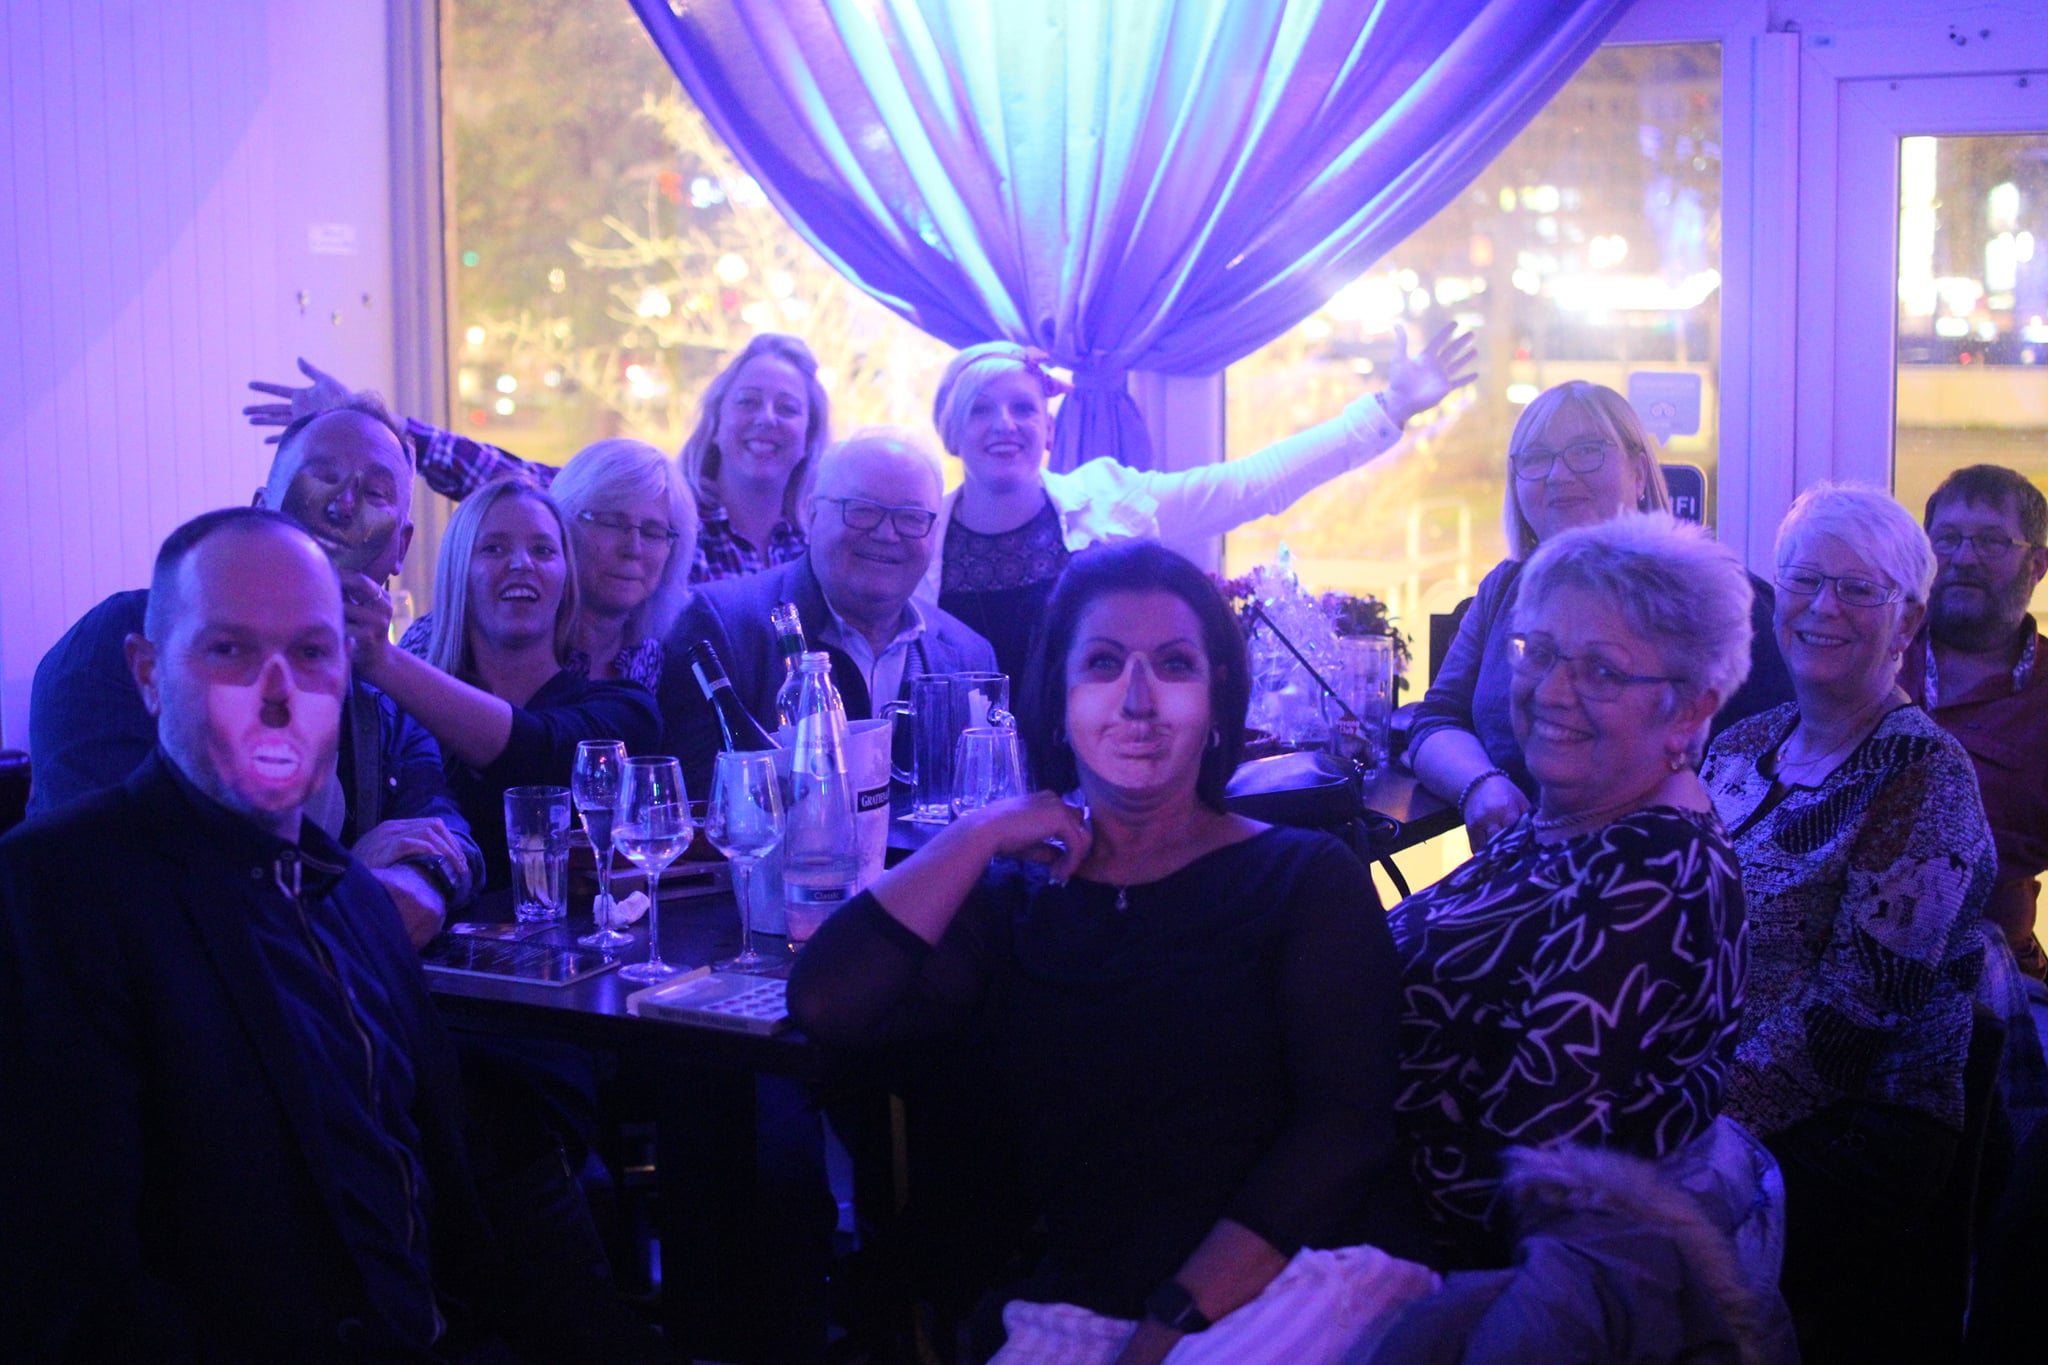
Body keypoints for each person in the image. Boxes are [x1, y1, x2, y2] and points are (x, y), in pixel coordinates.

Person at [0, 509, 668, 1362]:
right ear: (148, 674)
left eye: (313, 652)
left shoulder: (352, 896)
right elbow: (70, 1290)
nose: (278, 692)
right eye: (230, 650)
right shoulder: (56, 891)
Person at [790, 540, 1403, 1364]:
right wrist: (981, 830)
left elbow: (1344, 1129)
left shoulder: (1303, 878)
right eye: (1104, 664)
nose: (1138, 700)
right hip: (1074, 1310)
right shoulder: (1016, 898)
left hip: (1289, 1291)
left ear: (1217, 700)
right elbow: (825, 1001)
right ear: (1057, 701)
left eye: (1175, 664)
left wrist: (1174, 1319)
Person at [1390, 511, 1753, 1270]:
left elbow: (1516, 1180)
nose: (1553, 691)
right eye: (1542, 652)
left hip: (1417, 1261)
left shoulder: (1654, 876)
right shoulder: (1571, 812)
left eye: (1603, 671)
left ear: (1690, 707)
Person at [1699, 482, 2000, 1359]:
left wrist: (1682, 1117)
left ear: (1909, 621)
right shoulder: (1741, 745)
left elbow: (1847, 1026)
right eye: (1804, 580)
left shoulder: (1925, 775)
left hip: (1858, 1126)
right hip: (1712, 1084)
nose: (1823, 607)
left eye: (1860, 588)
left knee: (1619, 1239)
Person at [26, 400, 481, 944]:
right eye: (322, 476)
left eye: (376, 494)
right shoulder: (125, 640)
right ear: (259, 510)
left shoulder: (379, 686)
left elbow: (447, 829)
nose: (344, 504)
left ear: (401, 548)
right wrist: (344, 878)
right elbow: (104, 876)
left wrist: (423, 878)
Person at [924, 326, 1478, 680]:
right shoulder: (917, 541)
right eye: (980, 410)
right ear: (951, 431)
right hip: (960, 792)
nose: (1005, 424)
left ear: (1048, 429)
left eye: (1023, 408)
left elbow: (1251, 484)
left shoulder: (1111, 501)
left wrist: (1390, 407)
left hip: (1096, 781)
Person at [1408, 381, 1794, 846]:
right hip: (1519, 869)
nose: (1558, 474)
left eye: (1586, 451)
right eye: (1536, 457)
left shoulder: (1715, 602)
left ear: (1639, 472)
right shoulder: (1504, 589)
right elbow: (1436, 720)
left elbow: (1777, 763)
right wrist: (1480, 785)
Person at [247, 333, 824, 583]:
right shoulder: (661, 511)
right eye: (748, 401)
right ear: (716, 422)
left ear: (810, 434)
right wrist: (382, 429)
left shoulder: (819, 540)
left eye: (788, 408)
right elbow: (515, 478)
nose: (767, 419)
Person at [348, 478, 660, 891]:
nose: (521, 564)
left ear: (567, 579)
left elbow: (533, 751)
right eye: (494, 548)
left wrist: (381, 659)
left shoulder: (626, 710)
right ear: (458, 573)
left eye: (543, 550)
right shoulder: (393, 721)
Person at [664, 431, 996, 788]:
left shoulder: (970, 657)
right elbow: (697, 806)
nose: (887, 534)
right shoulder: (720, 630)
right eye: (862, 510)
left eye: (912, 517)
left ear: (935, 530)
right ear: (812, 514)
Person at [395, 438, 699, 690]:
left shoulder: (665, 663)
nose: (632, 548)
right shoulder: (445, 640)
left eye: (653, 532)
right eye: (611, 523)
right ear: (562, 527)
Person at [1900, 464, 2048, 978]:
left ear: (2038, 564)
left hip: (1995, 984)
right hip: (1840, 969)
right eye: (1947, 539)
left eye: (1991, 541)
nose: (1964, 558)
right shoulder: (1873, 656)